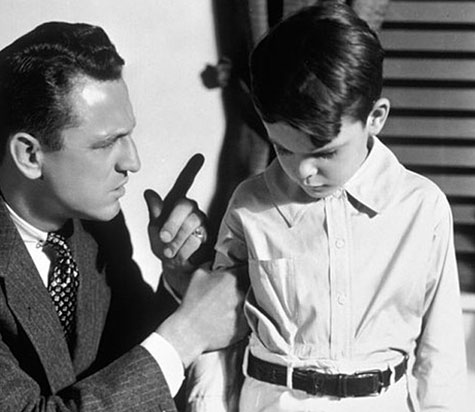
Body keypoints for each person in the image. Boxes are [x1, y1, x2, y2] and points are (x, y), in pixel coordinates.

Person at [0, 22, 246, 411]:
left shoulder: (92, 215)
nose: (132, 162)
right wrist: (187, 335)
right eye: (106, 144)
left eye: (128, 135)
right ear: (30, 155)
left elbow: (129, 357)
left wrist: (178, 281)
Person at [186, 3, 467, 411]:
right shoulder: (250, 204)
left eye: (325, 152)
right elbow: (218, 336)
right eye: (284, 149)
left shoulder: (423, 208)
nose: (304, 171)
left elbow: (442, 360)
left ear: (375, 117)